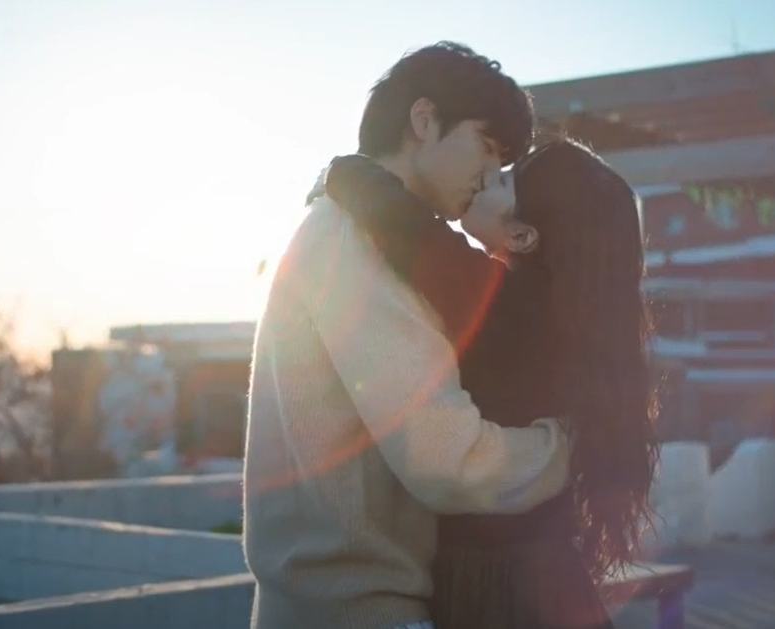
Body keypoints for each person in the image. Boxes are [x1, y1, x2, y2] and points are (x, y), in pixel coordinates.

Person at [241, 42, 575, 629]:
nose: (489, 175)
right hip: (359, 610)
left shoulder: (341, 228)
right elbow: (448, 458)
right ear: (424, 119)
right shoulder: (355, 242)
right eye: (486, 146)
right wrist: (571, 446)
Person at [323, 139, 658, 629]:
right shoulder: (568, 319)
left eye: (503, 181)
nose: (484, 178)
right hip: (552, 580)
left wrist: (342, 170)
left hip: (496, 585)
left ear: (521, 235)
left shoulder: (508, 306)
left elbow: (405, 226)